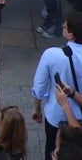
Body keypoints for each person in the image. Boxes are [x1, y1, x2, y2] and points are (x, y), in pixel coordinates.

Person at [32, 12, 82, 159]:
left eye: (65, 27)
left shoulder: (52, 54)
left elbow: (39, 87)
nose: (62, 27)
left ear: (71, 35)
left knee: (53, 149)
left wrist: (36, 108)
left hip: (57, 116)